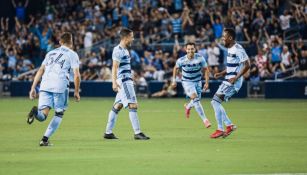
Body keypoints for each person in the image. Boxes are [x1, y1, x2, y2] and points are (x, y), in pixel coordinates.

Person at [27, 32, 81, 146]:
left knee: (42, 116)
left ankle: (36, 112)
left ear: (60, 42)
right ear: (71, 43)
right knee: (59, 113)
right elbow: (76, 75)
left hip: (45, 84)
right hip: (60, 85)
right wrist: (76, 91)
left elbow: (40, 70)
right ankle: (44, 140)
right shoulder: (72, 54)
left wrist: (33, 87)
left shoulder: (50, 53)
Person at [103, 28, 150, 140]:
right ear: (125, 37)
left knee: (117, 106)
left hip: (126, 79)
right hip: (124, 81)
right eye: (131, 36)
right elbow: (114, 67)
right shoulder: (118, 50)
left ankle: (108, 133)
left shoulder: (125, 50)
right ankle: (137, 133)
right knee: (133, 105)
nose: (133, 39)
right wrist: (114, 82)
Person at [210, 28, 250, 139]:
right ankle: (229, 125)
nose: (222, 39)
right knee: (216, 102)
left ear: (230, 38)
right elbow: (231, 67)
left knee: (215, 102)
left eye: (224, 37)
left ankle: (220, 129)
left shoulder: (238, 49)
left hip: (233, 82)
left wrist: (236, 78)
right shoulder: (230, 49)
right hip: (227, 80)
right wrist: (221, 73)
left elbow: (247, 65)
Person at [171, 42, 211, 128]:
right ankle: (205, 120)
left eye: (192, 49)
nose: (190, 51)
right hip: (187, 82)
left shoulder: (200, 58)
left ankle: (188, 106)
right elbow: (175, 68)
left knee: (197, 99)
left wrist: (207, 82)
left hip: (198, 81)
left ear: (195, 49)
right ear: (186, 50)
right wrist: (174, 81)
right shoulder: (181, 60)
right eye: (188, 49)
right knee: (196, 99)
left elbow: (206, 70)